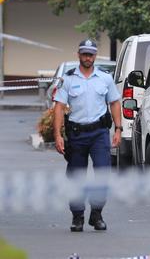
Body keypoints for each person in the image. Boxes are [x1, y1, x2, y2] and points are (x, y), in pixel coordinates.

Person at [53, 39, 122, 232]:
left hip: (99, 133)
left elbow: (115, 103)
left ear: (95, 56)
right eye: (84, 54)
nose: (87, 57)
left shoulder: (105, 78)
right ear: (79, 55)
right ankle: (77, 217)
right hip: (77, 134)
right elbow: (59, 107)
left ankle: (97, 214)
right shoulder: (68, 79)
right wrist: (58, 134)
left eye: (91, 54)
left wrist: (118, 129)